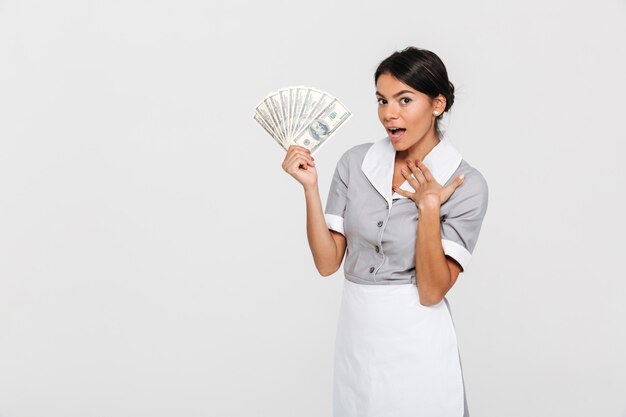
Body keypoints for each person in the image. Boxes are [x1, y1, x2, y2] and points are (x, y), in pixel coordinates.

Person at [281, 46, 488, 417]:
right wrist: (310, 187)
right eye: (382, 100)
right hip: (357, 337)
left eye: (404, 100)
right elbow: (328, 264)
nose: (388, 113)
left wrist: (428, 208)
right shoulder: (355, 163)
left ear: (437, 104)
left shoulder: (465, 182)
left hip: (417, 340)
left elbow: (431, 291)